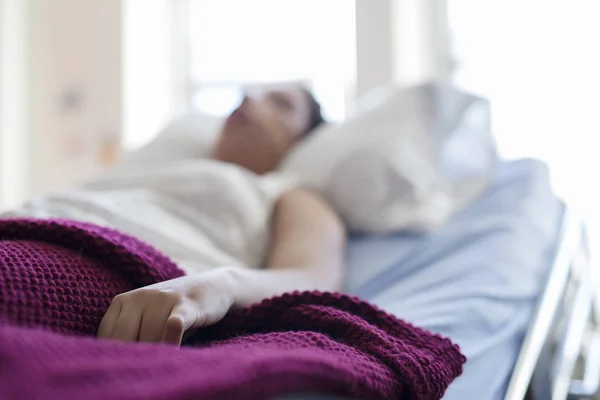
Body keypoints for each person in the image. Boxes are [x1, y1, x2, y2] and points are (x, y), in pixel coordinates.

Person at [11, 85, 346, 346]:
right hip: (28, 226)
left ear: (302, 142)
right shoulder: (152, 170)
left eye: (281, 104)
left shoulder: (287, 192)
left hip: (108, 267)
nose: (248, 99)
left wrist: (219, 285)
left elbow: (313, 278)